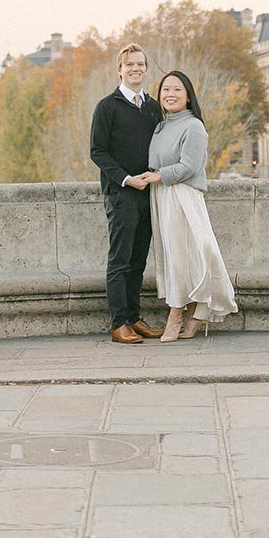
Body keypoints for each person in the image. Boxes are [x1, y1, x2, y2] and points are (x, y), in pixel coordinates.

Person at [133, 69, 238, 341]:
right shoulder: (161, 126)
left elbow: (190, 166)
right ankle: (196, 315)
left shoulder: (194, 126)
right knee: (176, 257)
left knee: (187, 256)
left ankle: (176, 315)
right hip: (162, 197)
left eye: (177, 89)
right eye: (166, 89)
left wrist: (159, 175)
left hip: (183, 196)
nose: (170, 94)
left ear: (188, 96)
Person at [88, 43, 163, 343]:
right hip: (121, 195)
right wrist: (126, 179)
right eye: (129, 64)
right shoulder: (107, 107)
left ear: (146, 69)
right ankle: (119, 323)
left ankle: (134, 318)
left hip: (149, 193)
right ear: (119, 70)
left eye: (140, 64)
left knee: (139, 261)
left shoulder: (154, 107)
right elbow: (98, 152)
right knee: (119, 260)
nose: (135, 69)